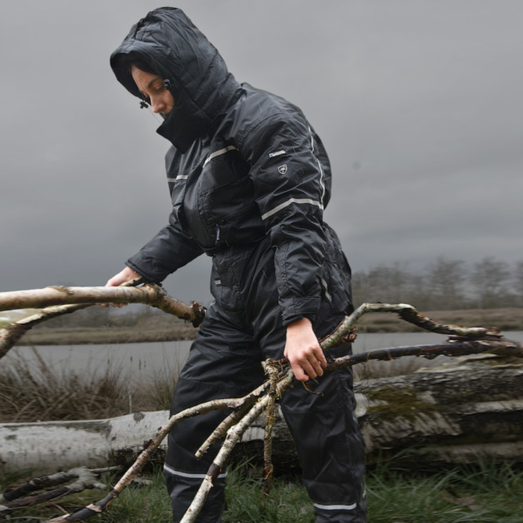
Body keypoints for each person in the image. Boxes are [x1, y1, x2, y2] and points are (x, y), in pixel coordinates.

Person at [108, 7, 366, 523]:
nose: (156, 103)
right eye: (145, 96)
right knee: (189, 422)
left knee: (322, 431)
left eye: (160, 86)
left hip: (296, 288)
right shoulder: (180, 153)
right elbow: (189, 227)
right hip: (230, 299)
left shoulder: (268, 119)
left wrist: (298, 320)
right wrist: (140, 268)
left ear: (191, 71)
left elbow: (296, 222)